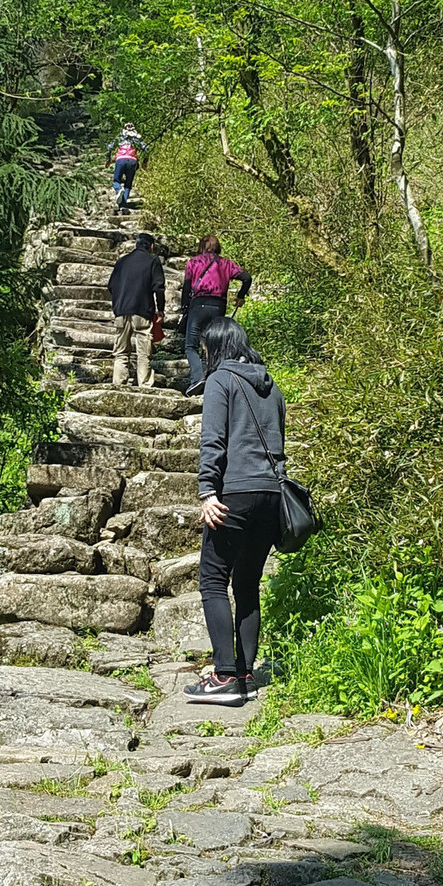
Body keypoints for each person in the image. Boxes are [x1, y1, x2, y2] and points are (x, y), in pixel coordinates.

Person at [184, 317, 285, 706]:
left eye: (206, 350)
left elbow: (213, 440)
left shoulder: (220, 381)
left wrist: (207, 490)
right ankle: (244, 672)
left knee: (212, 580)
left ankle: (224, 676)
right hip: (272, 495)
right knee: (246, 584)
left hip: (235, 494)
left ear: (216, 348)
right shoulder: (271, 386)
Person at [179, 235, 252, 396]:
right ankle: (212, 379)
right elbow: (246, 277)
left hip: (198, 305)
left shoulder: (194, 262)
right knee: (213, 343)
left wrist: (184, 309)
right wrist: (241, 296)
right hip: (218, 306)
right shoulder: (225, 263)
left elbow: (186, 288)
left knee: (191, 346)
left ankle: (197, 378)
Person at [107, 232, 165, 387]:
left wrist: (118, 305)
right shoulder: (152, 260)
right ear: (151, 246)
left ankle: (119, 384)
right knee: (143, 351)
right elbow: (159, 287)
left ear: (136, 245)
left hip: (122, 310)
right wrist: (160, 309)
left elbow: (111, 286)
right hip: (142, 310)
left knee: (121, 352)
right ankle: (145, 385)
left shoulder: (122, 261)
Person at [107, 124, 148, 216]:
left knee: (116, 181)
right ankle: (123, 206)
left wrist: (108, 159)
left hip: (120, 160)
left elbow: (109, 147)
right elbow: (146, 149)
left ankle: (118, 190)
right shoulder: (136, 139)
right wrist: (145, 162)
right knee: (128, 185)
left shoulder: (120, 138)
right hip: (132, 161)